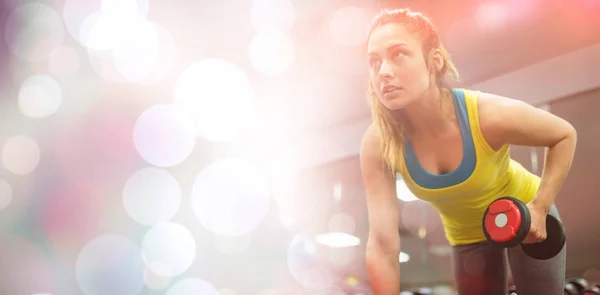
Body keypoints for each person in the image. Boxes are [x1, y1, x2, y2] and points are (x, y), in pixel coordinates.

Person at [359, 8, 577, 295]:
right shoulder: (379, 143)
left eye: (398, 54)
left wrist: (540, 206)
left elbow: (563, 134)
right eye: (374, 62)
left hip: (524, 216)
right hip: (466, 236)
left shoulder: (486, 115)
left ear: (434, 61)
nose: (383, 71)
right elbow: (383, 246)